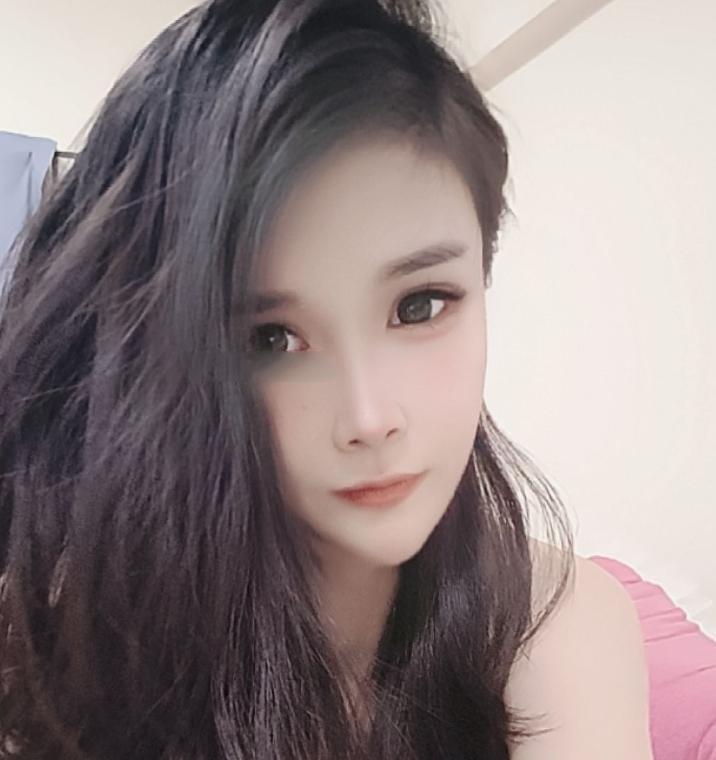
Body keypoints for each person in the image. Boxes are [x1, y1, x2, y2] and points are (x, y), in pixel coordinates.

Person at [0, 1, 652, 758]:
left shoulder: (557, 625)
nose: (370, 417)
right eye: (270, 338)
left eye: (420, 305)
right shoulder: (60, 640)